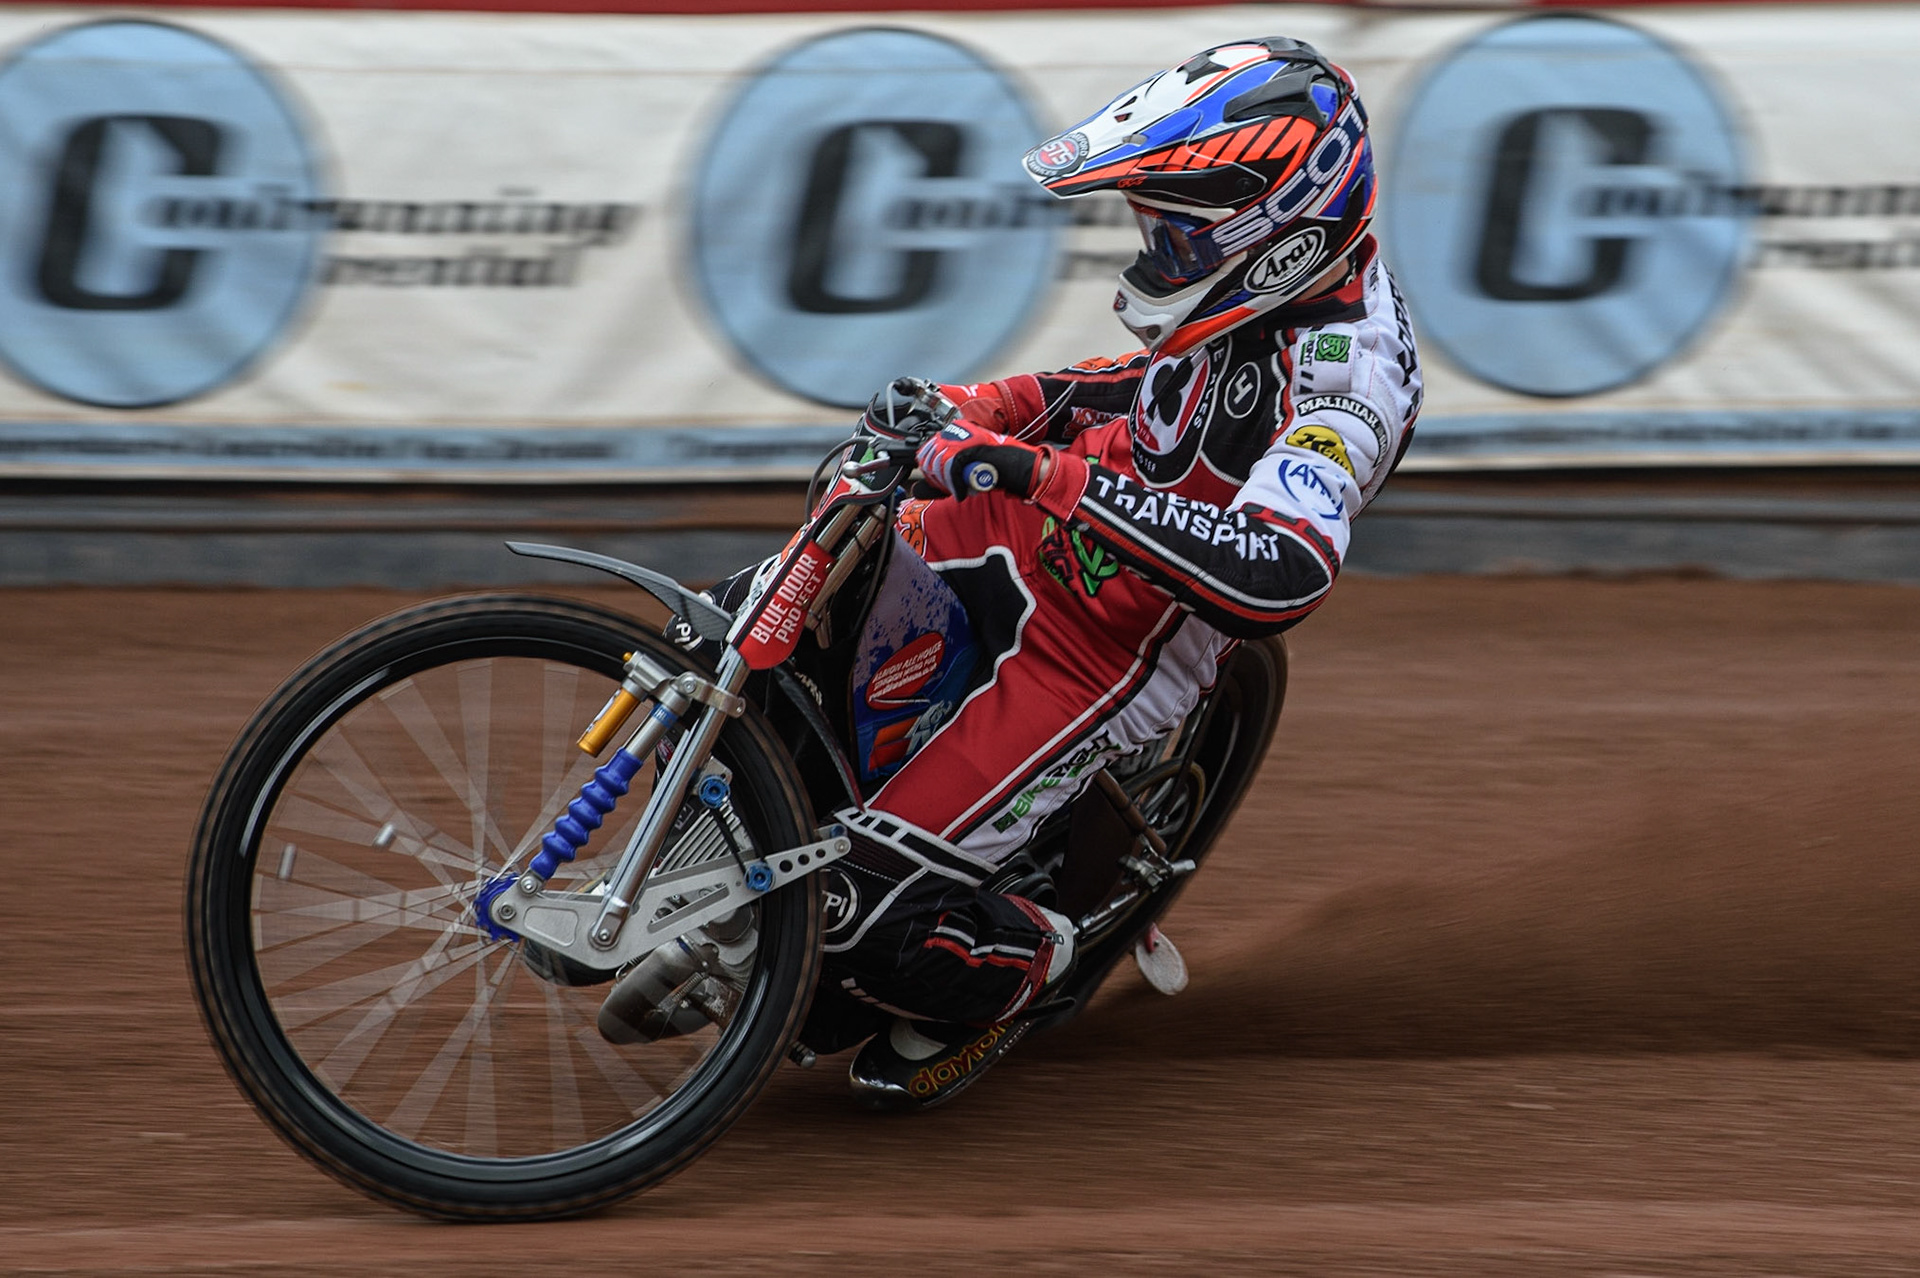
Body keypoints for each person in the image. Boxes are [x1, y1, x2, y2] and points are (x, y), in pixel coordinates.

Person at [668, 37, 1423, 1110]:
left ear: (1273, 236)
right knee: (734, 628)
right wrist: (980, 409)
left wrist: (1044, 476)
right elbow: (1134, 386)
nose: (1151, 250)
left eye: (1173, 230)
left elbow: (1282, 574)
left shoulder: (1347, 377)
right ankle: (719, 852)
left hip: (1104, 647)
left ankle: (1031, 961)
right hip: (1021, 529)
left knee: (855, 926)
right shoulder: (1255, 293)